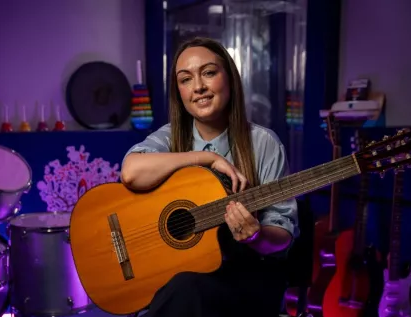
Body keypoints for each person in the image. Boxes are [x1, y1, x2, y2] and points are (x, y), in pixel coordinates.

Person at [120, 37, 299, 317]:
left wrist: (255, 236)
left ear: (229, 78)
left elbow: (283, 235)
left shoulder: (263, 143)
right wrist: (207, 158)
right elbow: (130, 172)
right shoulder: (169, 137)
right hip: (180, 276)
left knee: (183, 291)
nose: (199, 87)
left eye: (209, 73)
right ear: (179, 91)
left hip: (247, 279)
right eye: (186, 79)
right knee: (178, 289)